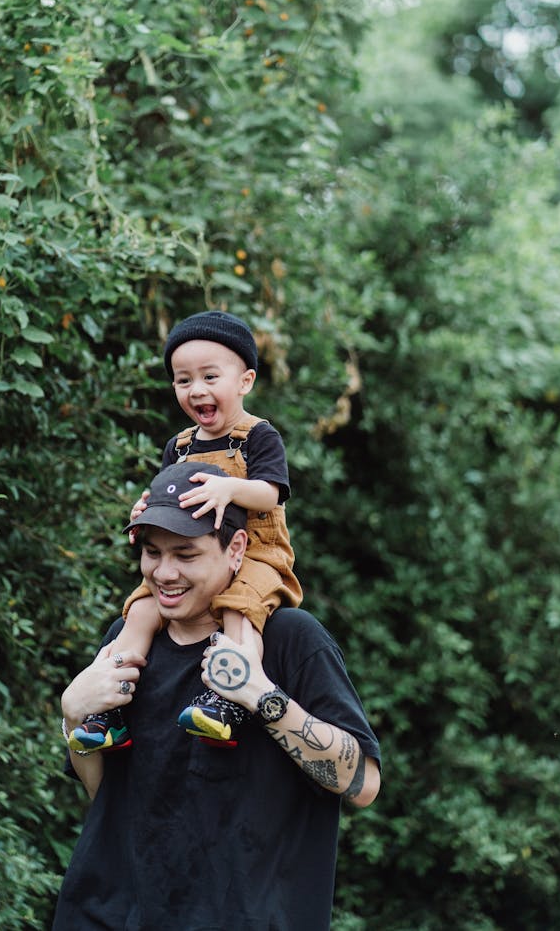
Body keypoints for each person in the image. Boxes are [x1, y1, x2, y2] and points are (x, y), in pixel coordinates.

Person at [53, 461, 381, 931]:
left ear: (236, 549)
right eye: (151, 553)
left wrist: (262, 696)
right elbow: (108, 795)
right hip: (109, 914)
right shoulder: (127, 641)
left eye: (185, 555)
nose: (164, 573)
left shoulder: (290, 640)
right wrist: (72, 716)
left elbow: (363, 783)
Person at [68, 309, 303, 753]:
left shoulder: (257, 436)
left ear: (245, 381)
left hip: (256, 557)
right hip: (193, 554)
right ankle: (111, 706)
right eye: (183, 380)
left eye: (210, 376)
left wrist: (229, 487)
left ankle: (228, 699)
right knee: (137, 614)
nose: (197, 390)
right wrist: (146, 506)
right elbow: (166, 499)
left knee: (238, 612)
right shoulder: (179, 445)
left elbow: (271, 494)